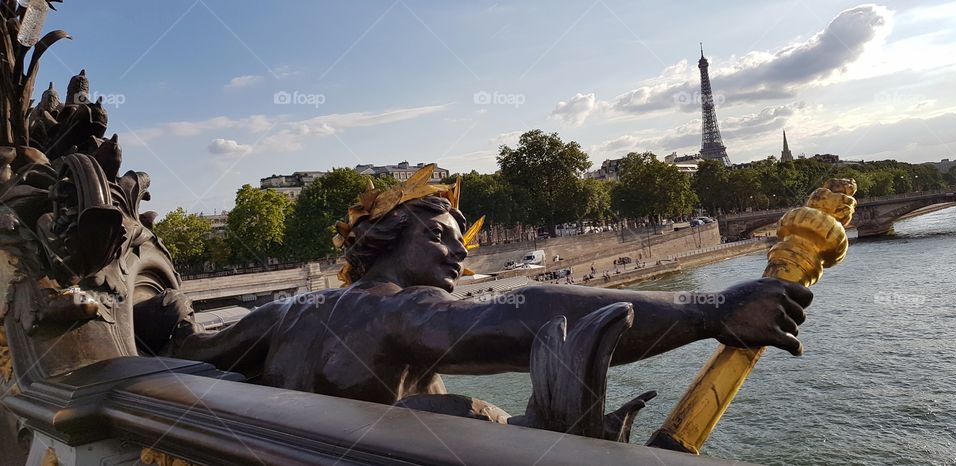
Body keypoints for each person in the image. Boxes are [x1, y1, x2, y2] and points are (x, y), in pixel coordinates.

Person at [172, 188, 811, 406]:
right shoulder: (398, 310)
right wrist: (710, 312)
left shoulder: (289, 311)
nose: (460, 253)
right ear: (392, 235)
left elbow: (189, 350)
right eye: (442, 236)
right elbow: (526, 315)